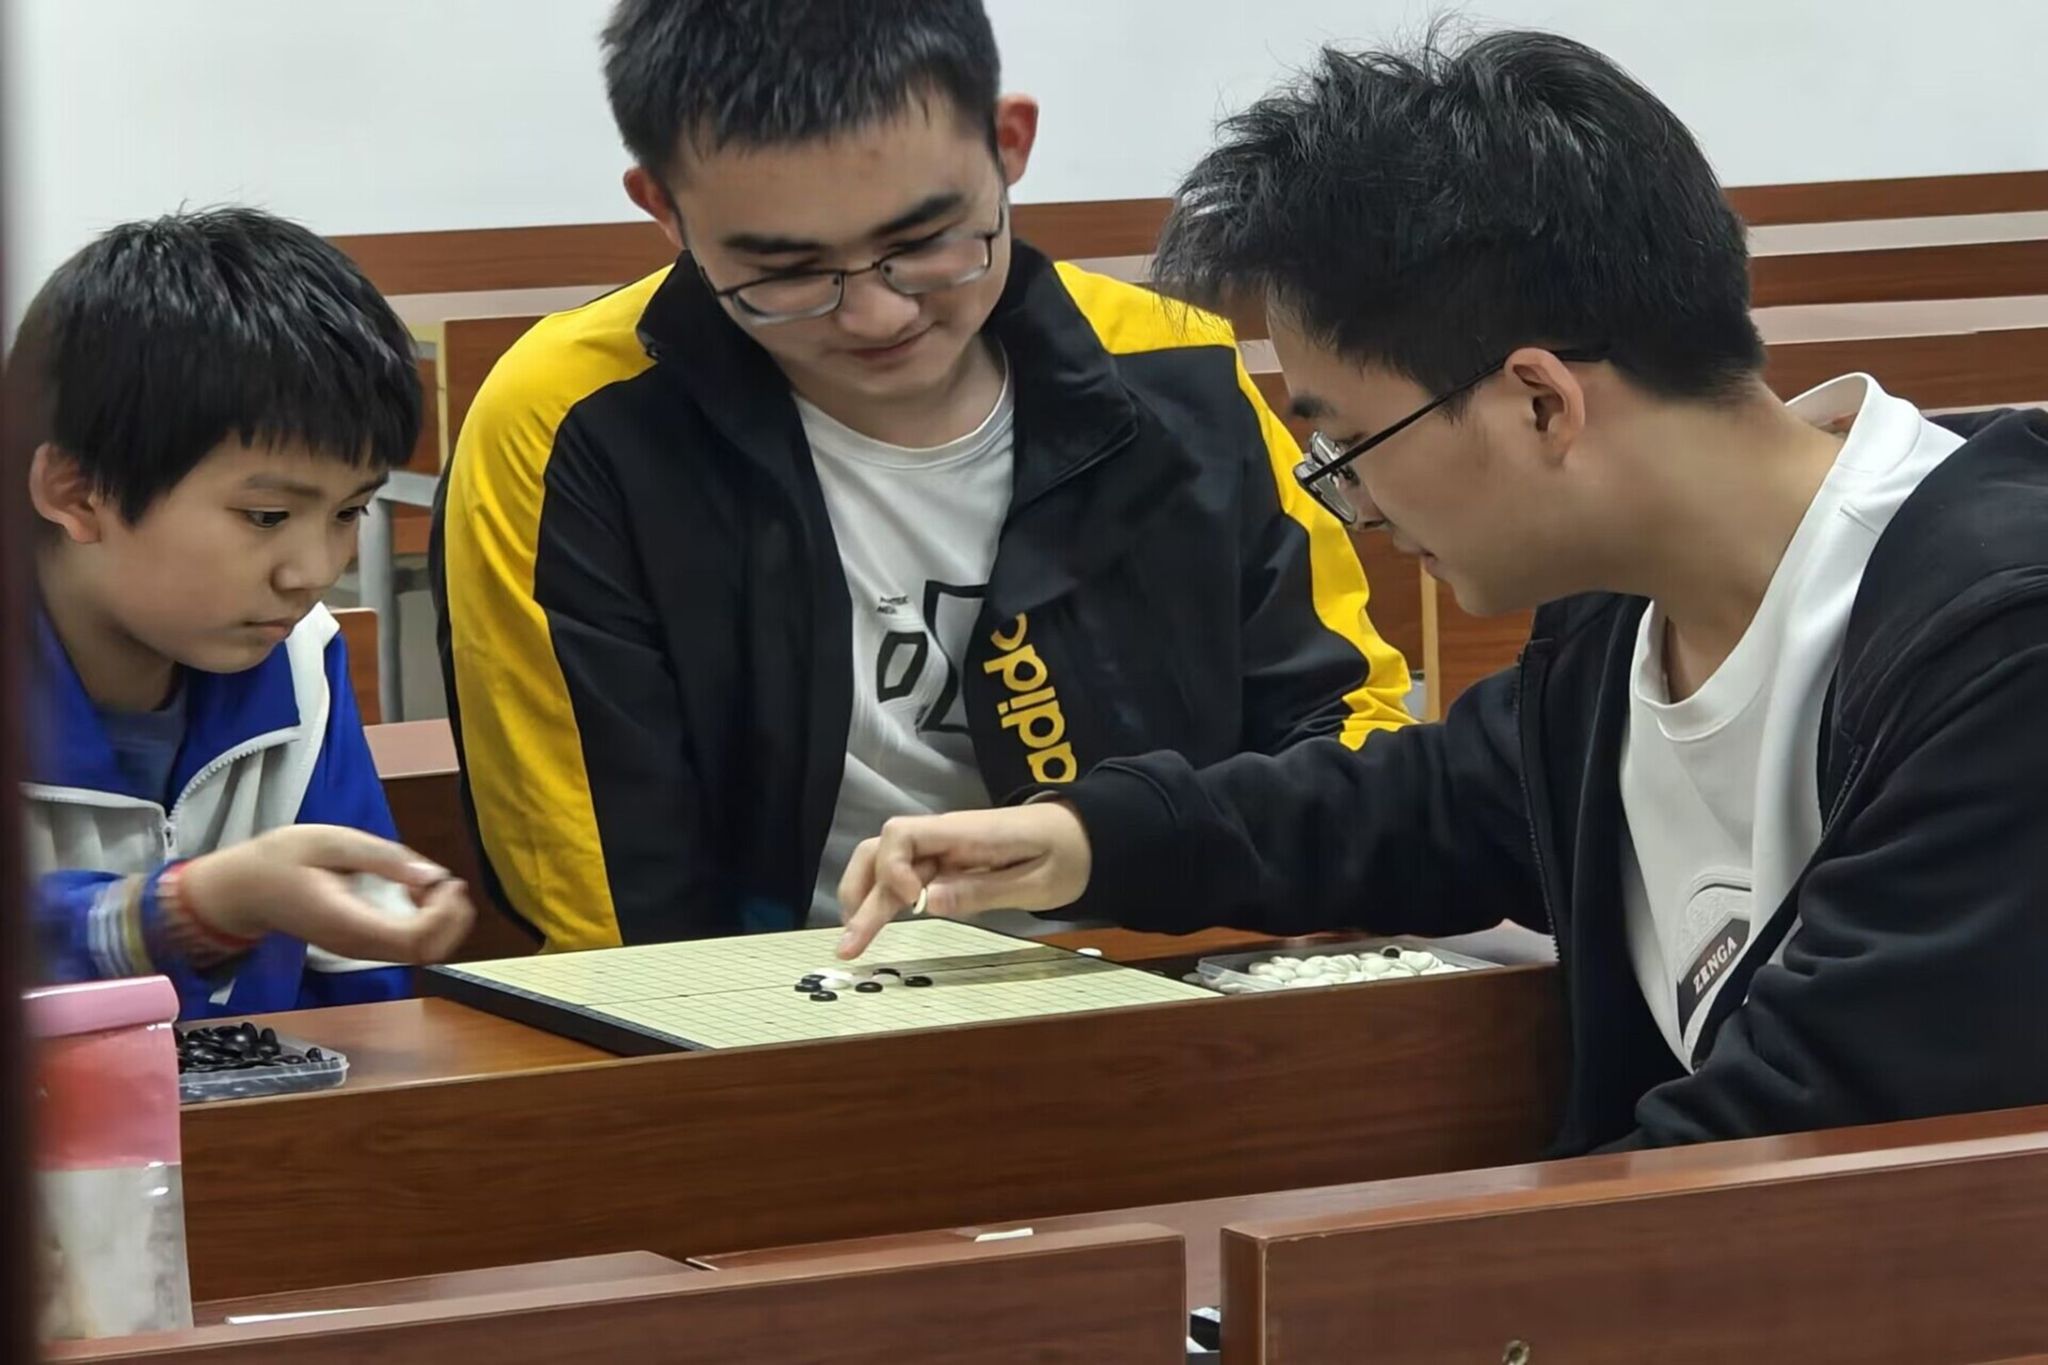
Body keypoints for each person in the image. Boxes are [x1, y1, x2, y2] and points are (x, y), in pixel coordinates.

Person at [838, 31, 2048, 1152]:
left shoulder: (1998, 646)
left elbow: (1815, 1129)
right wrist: (1084, 840)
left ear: (1539, 402)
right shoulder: (1622, 614)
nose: (1344, 500)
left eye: (1345, 444)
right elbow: (1425, 808)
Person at [432, 0, 1413, 953]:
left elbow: (1338, 733)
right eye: (786, 272)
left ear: (1007, 143)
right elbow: (615, 913)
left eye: (925, 244)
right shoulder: (569, 423)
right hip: (779, 1017)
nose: (876, 315)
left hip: (1185, 982)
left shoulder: (1172, 369)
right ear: (664, 208)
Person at [17, 208, 476, 1019]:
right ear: (78, 492)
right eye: (267, 516)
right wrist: (192, 908)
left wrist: (395, 922)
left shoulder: (300, 657)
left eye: (350, 511)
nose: (315, 572)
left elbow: (360, 1002)